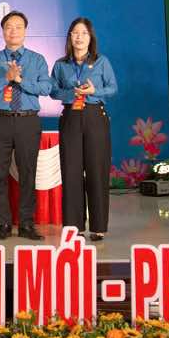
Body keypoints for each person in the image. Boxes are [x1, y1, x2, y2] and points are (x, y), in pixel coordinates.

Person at [0, 11, 52, 241]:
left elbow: (46, 88)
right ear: (3, 31)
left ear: (25, 31)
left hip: (28, 120)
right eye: (9, 27)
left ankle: (27, 224)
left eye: (18, 27)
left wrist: (20, 80)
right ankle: (3, 223)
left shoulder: (37, 59)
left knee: (28, 172)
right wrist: (5, 78)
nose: (13, 31)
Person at [51, 17, 117, 242]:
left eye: (84, 33)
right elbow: (53, 91)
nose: (79, 37)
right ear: (70, 37)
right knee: (71, 171)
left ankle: (99, 226)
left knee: (96, 171)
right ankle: (73, 226)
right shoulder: (61, 64)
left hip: (94, 117)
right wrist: (71, 94)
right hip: (70, 116)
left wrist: (94, 91)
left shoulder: (101, 62)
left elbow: (112, 88)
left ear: (91, 38)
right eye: (75, 33)